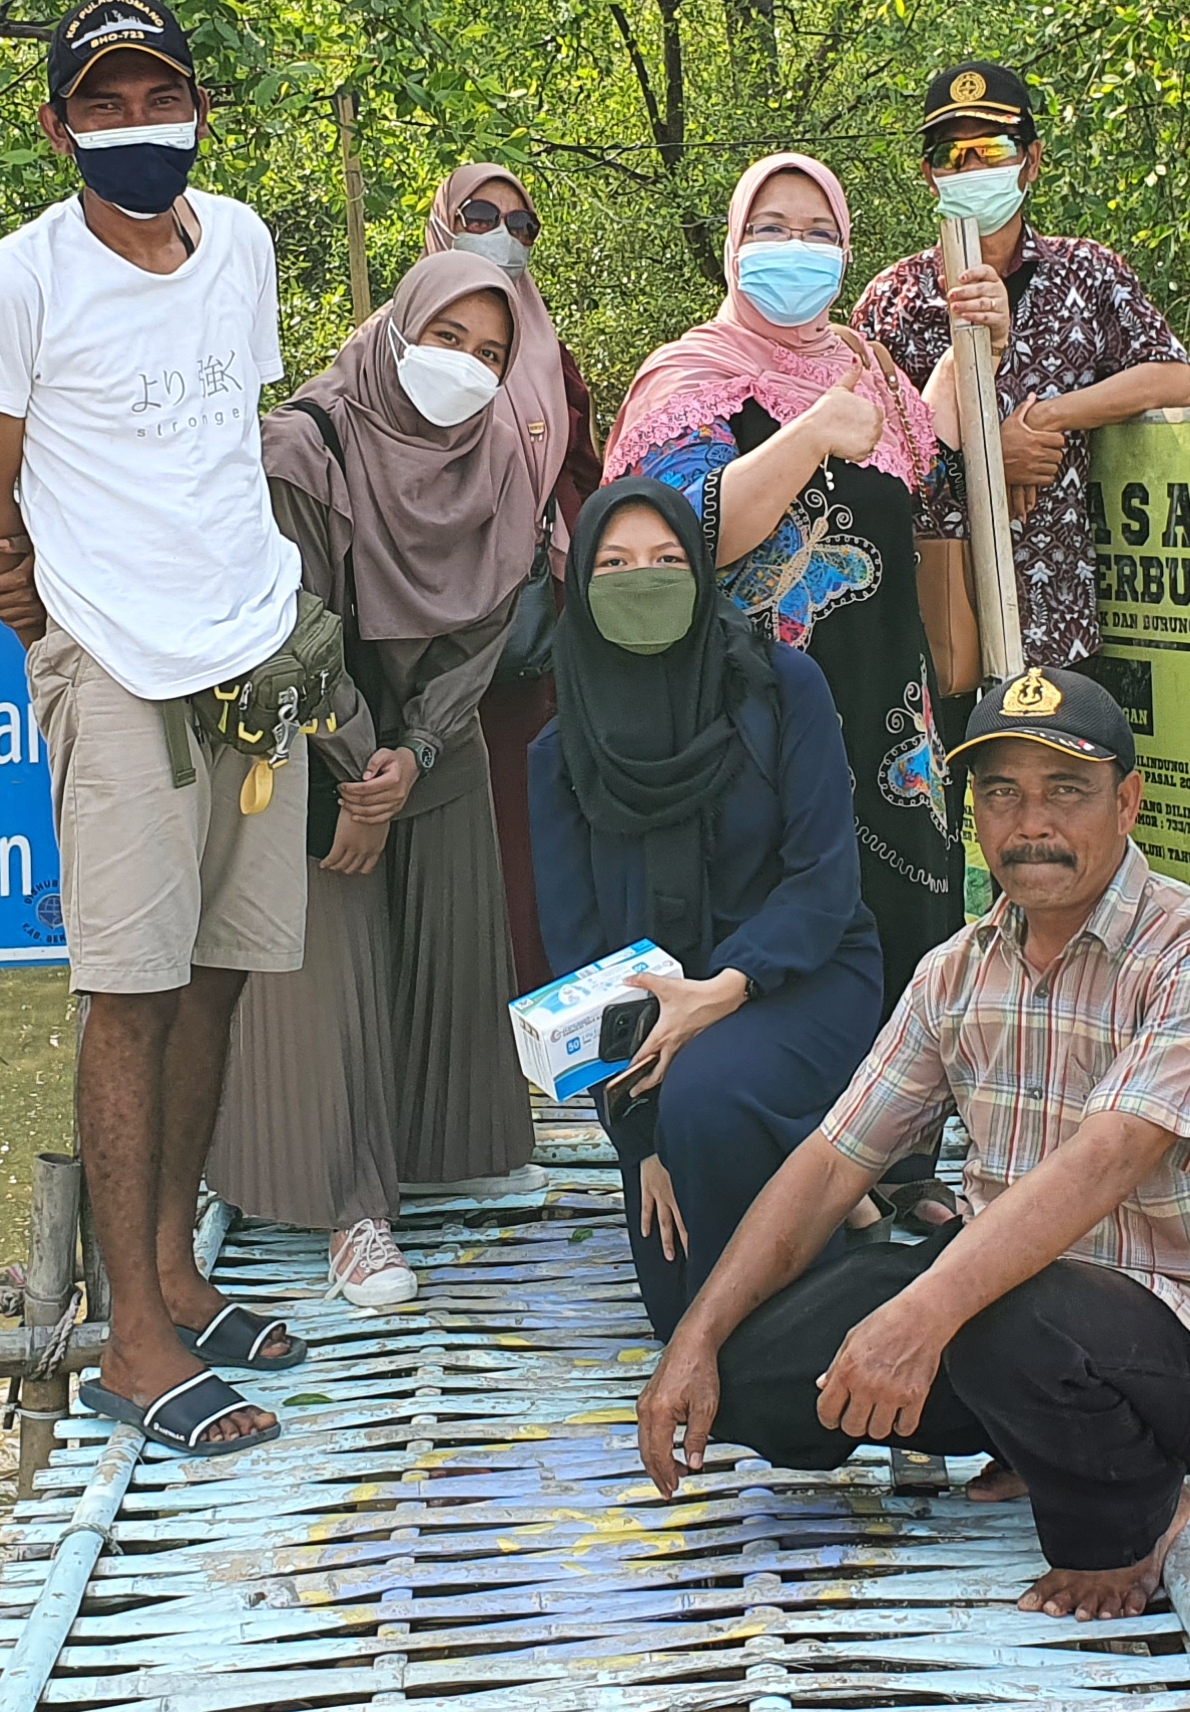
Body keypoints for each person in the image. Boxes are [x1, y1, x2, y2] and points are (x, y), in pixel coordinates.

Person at [632, 667, 1190, 1620]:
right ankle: (1030, 1440)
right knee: (745, 1378)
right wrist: (692, 1341)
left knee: (995, 1310)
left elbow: (1105, 1161)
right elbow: (834, 1162)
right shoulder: (955, 971)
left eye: (1064, 791)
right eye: (1002, 794)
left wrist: (919, 1318)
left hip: (1186, 1327)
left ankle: (1131, 1518)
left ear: (1128, 803)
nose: (1030, 823)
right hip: (1007, 1315)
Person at [0, 0, 311, 1456]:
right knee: (130, 989)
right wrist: (45, 622)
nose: (137, 123)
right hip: (120, 670)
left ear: (198, 106)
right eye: (104, 103)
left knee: (218, 975)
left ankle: (174, 1270)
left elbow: (227, 433)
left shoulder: (245, 245)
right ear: (57, 127)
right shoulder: (14, 286)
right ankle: (133, 1345)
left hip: (252, 653)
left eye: (159, 93)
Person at [216, 249, 546, 1310]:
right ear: (400, 329)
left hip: (419, 735)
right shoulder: (303, 449)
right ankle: (349, 1210)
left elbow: (482, 638)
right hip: (301, 730)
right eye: (447, 339)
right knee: (335, 929)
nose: (467, 367)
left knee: (449, 885)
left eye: (492, 352)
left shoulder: (498, 462)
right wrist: (363, 769)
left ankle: (444, 1152)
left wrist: (421, 753)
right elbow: (286, 626)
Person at [528, 477, 887, 1337]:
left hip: (805, 972)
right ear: (579, 585)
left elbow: (824, 883)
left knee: (709, 1094)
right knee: (670, 1269)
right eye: (614, 564)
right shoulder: (561, 751)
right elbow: (580, 961)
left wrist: (725, 989)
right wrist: (637, 1141)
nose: (641, 580)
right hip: (649, 1029)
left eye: (664, 560)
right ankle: (835, 1209)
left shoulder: (781, 689)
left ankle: (784, 1331)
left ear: (700, 570)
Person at [607, 153, 963, 1009]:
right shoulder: (690, 376)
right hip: (754, 728)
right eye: (771, 229)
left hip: (886, 729)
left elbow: (921, 473)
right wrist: (809, 435)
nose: (794, 248)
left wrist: (968, 351)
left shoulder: (862, 365)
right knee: (769, 997)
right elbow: (685, 534)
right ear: (733, 247)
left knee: (897, 1006)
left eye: (818, 232)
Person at [854, 62, 1190, 686]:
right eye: (950, 154)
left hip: (1058, 619)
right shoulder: (892, 300)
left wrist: (1051, 416)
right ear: (930, 176)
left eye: (991, 149)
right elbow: (871, 459)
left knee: (1055, 783)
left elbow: (1173, 377)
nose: (971, 169)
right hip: (937, 624)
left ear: (1032, 160)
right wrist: (988, 458)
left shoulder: (1087, 273)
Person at [432, 162, 610, 999]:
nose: (502, 233)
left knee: (528, 827)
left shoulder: (549, 355)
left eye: (520, 222)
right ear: (443, 221)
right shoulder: (395, 347)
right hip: (425, 629)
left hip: (531, 640)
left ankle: (534, 1018)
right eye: (479, 213)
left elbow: (582, 474)